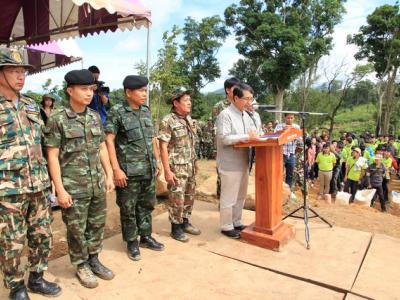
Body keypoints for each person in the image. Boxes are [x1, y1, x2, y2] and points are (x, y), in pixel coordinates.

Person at [0, 48, 61, 300]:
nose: (20, 76)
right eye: (14, 71)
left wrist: (52, 183)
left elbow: (44, 143)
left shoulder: (31, 105)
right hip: (8, 189)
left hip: (38, 184)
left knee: (42, 234)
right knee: (11, 242)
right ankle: (16, 287)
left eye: (23, 71)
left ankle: (37, 278)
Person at [45, 69, 115, 289]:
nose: (89, 94)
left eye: (91, 89)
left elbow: (102, 146)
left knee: (96, 225)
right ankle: (80, 264)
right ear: (70, 91)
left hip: (96, 183)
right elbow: (52, 156)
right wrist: (60, 189)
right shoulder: (58, 119)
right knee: (76, 229)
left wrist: (109, 174)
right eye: (84, 89)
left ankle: (93, 258)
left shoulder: (94, 117)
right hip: (73, 186)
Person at [105, 75, 164, 261]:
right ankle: (132, 241)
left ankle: (145, 236)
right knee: (128, 208)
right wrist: (116, 169)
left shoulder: (146, 111)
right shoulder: (117, 112)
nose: (144, 94)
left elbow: (152, 138)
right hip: (128, 172)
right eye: (141, 91)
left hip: (148, 169)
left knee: (146, 205)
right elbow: (109, 140)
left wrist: (157, 160)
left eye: (145, 90)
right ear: (128, 92)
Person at [158, 87, 201, 242]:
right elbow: (162, 146)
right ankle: (175, 228)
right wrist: (167, 171)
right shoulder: (168, 120)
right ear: (176, 103)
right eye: (186, 100)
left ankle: (185, 222)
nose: (189, 103)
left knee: (189, 195)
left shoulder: (189, 119)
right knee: (177, 197)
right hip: (176, 167)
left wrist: (195, 163)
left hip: (189, 165)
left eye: (190, 100)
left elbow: (190, 143)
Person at [216, 83, 258, 239]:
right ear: (235, 98)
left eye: (251, 99)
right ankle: (226, 226)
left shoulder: (246, 115)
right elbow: (224, 138)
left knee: (240, 196)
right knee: (229, 196)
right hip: (229, 163)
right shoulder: (225, 115)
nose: (249, 102)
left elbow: (253, 133)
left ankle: (237, 221)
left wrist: (254, 136)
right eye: (246, 99)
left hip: (243, 161)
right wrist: (247, 137)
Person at [213, 77, 241, 198]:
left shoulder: (240, 105)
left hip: (239, 146)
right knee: (223, 175)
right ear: (227, 90)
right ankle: (223, 201)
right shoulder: (219, 106)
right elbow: (216, 128)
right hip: (225, 146)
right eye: (235, 88)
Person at [274, 113, 301, 200]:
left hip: (292, 154)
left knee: (290, 174)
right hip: (281, 153)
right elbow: (275, 137)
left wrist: (292, 131)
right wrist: (283, 131)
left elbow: (300, 139)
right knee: (278, 173)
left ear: (294, 118)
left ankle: (289, 192)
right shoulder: (279, 126)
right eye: (288, 117)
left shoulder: (296, 126)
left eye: (291, 118)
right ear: (284, 117)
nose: (290, 119)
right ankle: (277, 190)